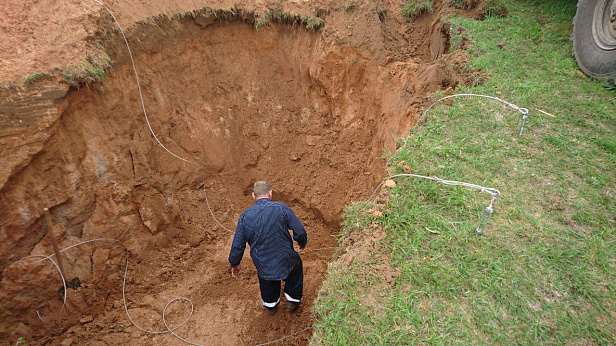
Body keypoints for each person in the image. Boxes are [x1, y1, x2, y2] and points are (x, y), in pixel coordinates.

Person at [228, 181, 308, 315]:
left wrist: (234, 263)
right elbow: (299, 231)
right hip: (286, 259)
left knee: (267, 281)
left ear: (253, 195)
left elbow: (237, 245)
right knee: (295, 269)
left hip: (263, 263)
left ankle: (271, 306)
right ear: (270, 193)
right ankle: (293, 301)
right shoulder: (281, 208)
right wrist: (302, 242)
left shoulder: (245, 217)